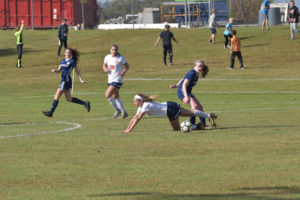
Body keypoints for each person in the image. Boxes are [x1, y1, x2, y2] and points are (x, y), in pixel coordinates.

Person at [122, 93, 217, 133]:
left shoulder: (145, 105)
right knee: (191, 112)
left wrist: (129, 130)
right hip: (170, 104)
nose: (134, 102)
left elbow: (138, 119)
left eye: (135, 101)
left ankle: (197, 126)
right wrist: (127, 128)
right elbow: (134, 118)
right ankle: (209, 116)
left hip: (170, 109)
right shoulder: (141, 106)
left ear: (140, 101)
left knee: (177, 129)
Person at [42, 48, 90, 117]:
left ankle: (51, 112)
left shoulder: (72, 61)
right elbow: (59, 70)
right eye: (66, 52)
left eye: (69, 52)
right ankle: (85, 103)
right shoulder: (62, 61)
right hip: (64, 81)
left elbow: (77, 71)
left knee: (56, 96)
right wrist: (55, 70)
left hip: (66, 81)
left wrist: (81, 79)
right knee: (69, 99)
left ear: (70, 54)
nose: (67, 53)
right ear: (64, 53)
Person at [170, 59, 210, 130]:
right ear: (195, 66)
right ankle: (192, 125)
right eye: (199, 66)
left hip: (188, 91)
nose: (200, 68)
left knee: (199, 107)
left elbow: (183, 78)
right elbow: (184, 85)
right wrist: (186, 96)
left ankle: (204, 125)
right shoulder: (192, 73)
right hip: (182, 91)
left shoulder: (196, 74)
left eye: (201, 67)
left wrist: (176, 85)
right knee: (194, 106)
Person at [103, 44, 129, 119]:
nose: (114, 51)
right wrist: (105, 69)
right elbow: (104, 65)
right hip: (110, 79)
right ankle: (124, 112)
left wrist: (124, 71)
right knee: (116, 96)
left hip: (117, 80)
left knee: (107, 95)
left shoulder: (120, 58)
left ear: (117, 50)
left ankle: (118, 110)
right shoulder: (107, 57)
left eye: (115, 50)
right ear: (110, 50)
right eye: (113, 49)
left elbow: (127, 66)